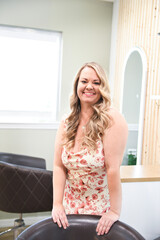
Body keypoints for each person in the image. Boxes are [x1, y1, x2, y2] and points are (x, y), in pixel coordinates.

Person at [52, 62, 128, 235]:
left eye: (96, 82)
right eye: (84, 81)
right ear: (77, 85)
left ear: (103, 88)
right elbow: (58, 166)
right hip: (68, 209)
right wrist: (57, 204)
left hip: (99, 213)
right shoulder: (67, 121)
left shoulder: (112, 119)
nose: (89, 86)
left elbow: (113, 169)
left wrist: (114, 211)